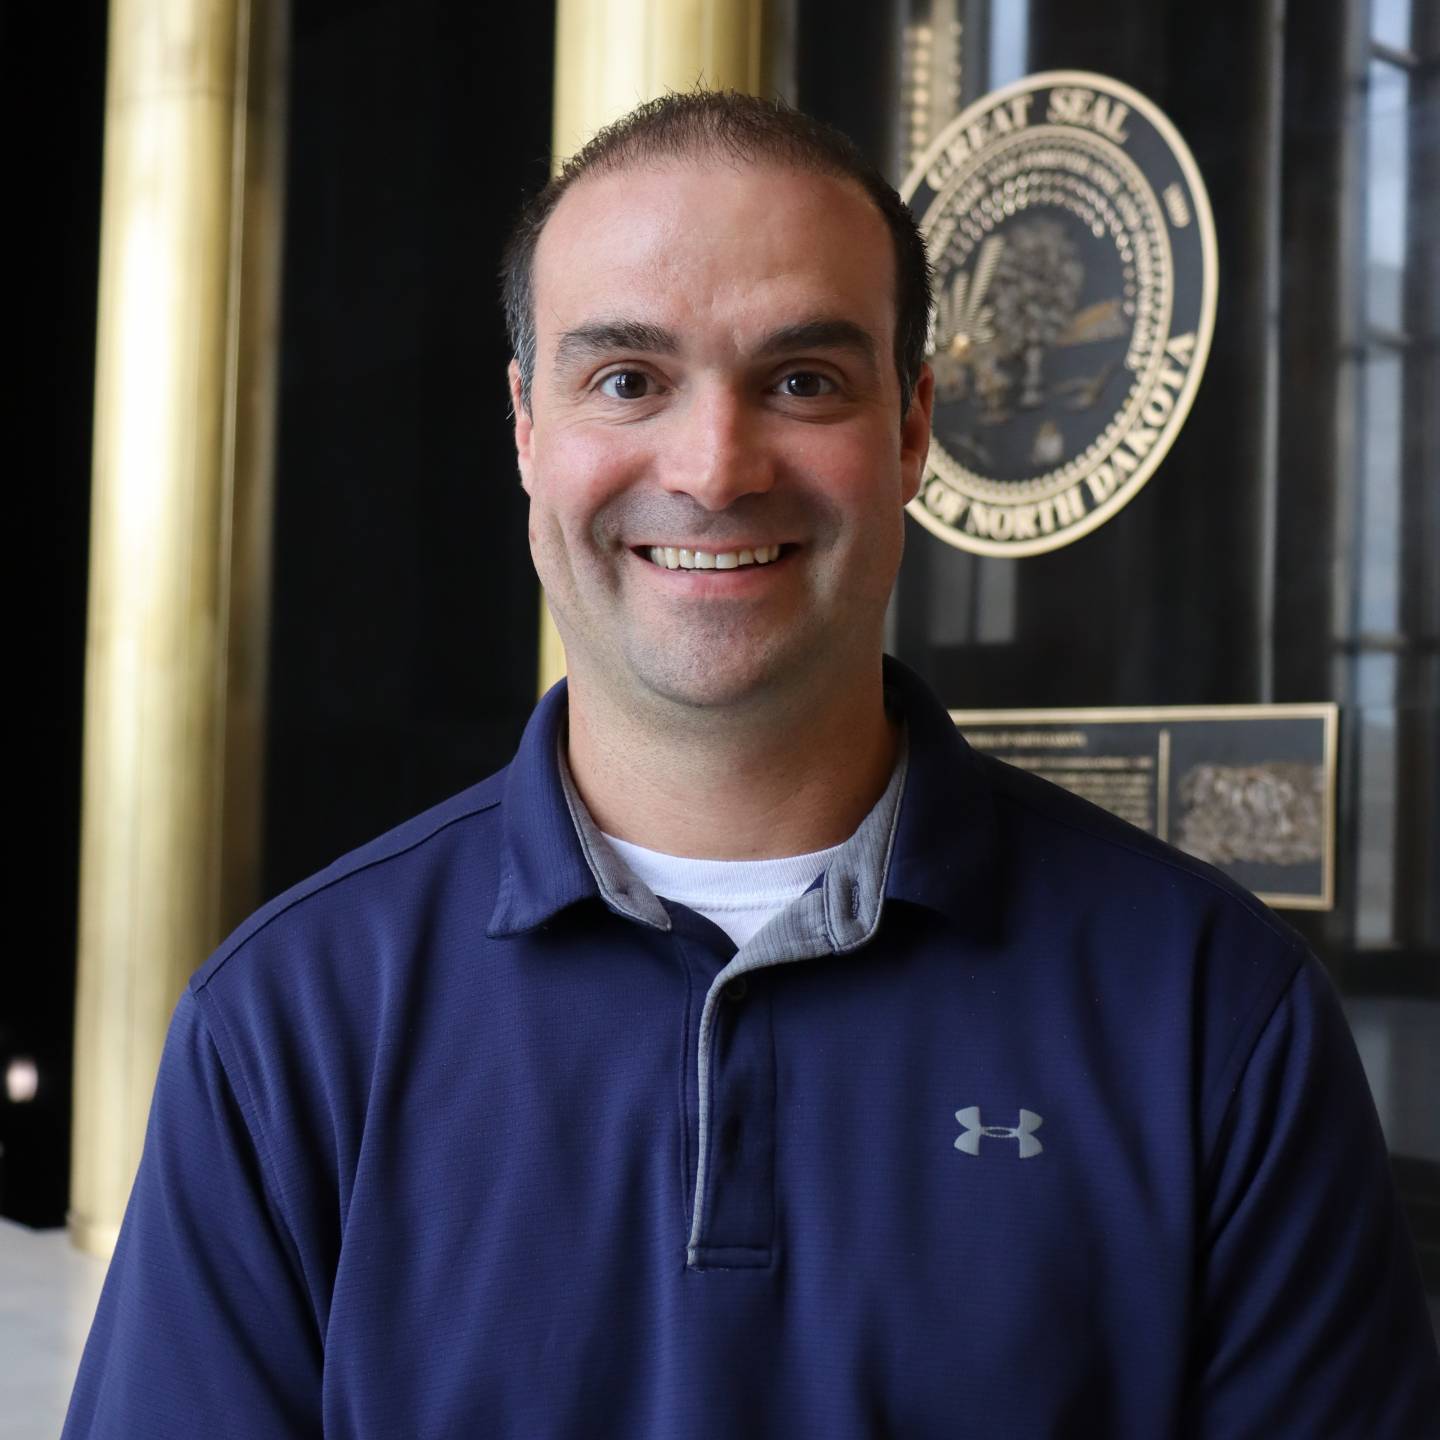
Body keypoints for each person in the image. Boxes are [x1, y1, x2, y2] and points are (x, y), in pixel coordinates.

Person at [64, 91, 1438, 1439]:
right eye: (626, 380)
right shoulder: (289, 1028)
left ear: (910, 430)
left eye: (802, 380)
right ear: (528, 429)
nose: (716, 467)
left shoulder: (1216, 1015)